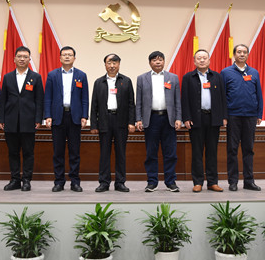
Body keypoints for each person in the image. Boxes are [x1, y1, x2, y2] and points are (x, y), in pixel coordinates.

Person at [181, 49, 227, 193]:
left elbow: (223, 97)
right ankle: (198, 182)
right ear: (194, 61)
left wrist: (224, 116)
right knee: (197, 152)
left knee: (212, 151)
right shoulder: (188, 77)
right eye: (199, 58)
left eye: (204, 58)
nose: (202, 60)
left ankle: (212, 182)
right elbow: (184, 99)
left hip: (213, 118)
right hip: (196, 119)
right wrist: (186, 118)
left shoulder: (217, 77)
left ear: (209, 60)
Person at [135, 50, 182, 192]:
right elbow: (139, 101)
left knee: (170, 153)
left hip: (169, 119)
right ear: (150, 63)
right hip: (151, 119)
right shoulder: (142, 78)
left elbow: (177, 100)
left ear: (164, 62)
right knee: (151, 153)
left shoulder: (173, 78)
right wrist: (138, 119)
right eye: (154, 60)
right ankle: (152, 182)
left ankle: (170, 182)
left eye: (160, 60)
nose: (157, 62)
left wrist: (179, 118)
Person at [0, 46, 44, 192]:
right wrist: (1, 118)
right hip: (10, 120)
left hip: (29, 121)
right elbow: (3, 99)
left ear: (29, 59)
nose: (22, 59)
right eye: (19, 56)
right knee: (13, 152)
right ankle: (14, 180)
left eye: (25, 57)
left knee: (28, 152)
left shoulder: (36, 77)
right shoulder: (7, 77)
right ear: (14, 59)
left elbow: (39, 100)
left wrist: (38, 118)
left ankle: (26, 180)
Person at [44, 46, 89, 192]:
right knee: (58, 152)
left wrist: (84, 116)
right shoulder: (52, 75)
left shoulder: (81, 75)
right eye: (64, 55)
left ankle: (75, 182)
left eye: (70, 55)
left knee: (74, 152)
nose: (67, 57)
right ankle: (59, 182)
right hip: (58, 116)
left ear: (74, 58)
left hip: (74, 117)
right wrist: (48, 115)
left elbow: (84, 98)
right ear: (60, 58)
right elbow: (48, 97)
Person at [90, 54, 136, 192]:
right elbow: (94, 105)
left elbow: (131, 104)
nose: (112, 66)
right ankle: (104, 182)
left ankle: (120, 182)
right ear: (105, 65)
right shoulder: (99, 82)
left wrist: (131, 122)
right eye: (109, 63)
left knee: (121, 153)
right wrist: (93, 124)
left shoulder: (126, 81)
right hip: (104, 120)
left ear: (119, 64)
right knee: (104, 153)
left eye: (115, 63)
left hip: (121, 121)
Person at [221, 44, 263, 191]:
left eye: (244, 52)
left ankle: (249, 181)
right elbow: (222, 96)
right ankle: (233, 182)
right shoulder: (225, 72)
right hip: (233, 116)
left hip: (250, 116)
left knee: (248, 149)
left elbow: (259, 94)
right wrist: (224, 116)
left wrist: (259, 114)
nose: (242, 54)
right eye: (239, 52)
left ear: (248, 55)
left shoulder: (254, 72)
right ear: (234, 54)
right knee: (232, 149)